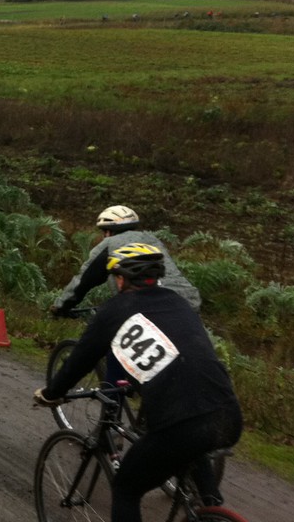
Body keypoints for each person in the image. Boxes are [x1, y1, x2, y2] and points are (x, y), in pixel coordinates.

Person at [35, 244, 242, 520]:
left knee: (126, 488)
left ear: (121, 280)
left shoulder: (114, 310)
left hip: (180, 422)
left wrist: (51, 393)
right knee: (195, 444)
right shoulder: (178, 302)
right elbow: (180, 356)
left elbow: (79, 361)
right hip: (228, 413)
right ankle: (212, 508)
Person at [53, 205, 201, 316]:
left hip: (142, 305)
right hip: (188, 300)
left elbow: (84, 281)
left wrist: (61, 306)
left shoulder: (109, 244)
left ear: (107, 231)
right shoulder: (152, 240)